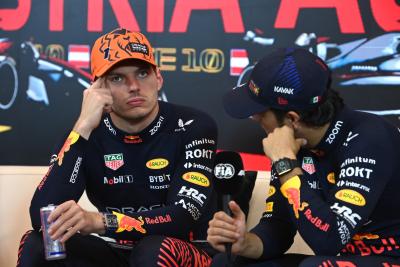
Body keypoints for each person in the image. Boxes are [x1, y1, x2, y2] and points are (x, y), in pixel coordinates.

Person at [17, 28, 218, 267]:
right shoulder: (85, 132)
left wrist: (101, 221)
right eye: (117, 78)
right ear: (98, 90)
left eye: (143, 73)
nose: (134, 86)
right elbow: (42, 219)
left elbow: (183, 217)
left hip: (182, 250)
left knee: (154, 249)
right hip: (116, 251)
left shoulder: (194, 126)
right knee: (36, 244)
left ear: (159, 78)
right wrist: (82, 127)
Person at [207, 47, 400, 266]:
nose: (254, 117)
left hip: (391, 258)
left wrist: (285, 164)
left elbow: (330, 240)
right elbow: (278, 227)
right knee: (227, 261)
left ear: (292, 118)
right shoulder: (290, 145)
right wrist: (244, 242)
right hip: (347, 260)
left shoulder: (369, 138)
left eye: (259, 111)